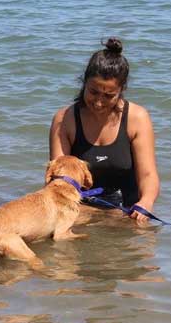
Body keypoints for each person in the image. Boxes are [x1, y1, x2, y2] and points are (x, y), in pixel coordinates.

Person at [49, 37, 160, 225]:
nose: (99, 102)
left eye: (109, 96)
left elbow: (148, 175)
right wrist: (93, 215)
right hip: (79, 208)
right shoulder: (64, 119)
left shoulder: (138, 118)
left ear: (121, 90)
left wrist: (146, 203)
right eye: (93, 92)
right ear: (84, 82)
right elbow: (57, 182)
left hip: (128, 209)